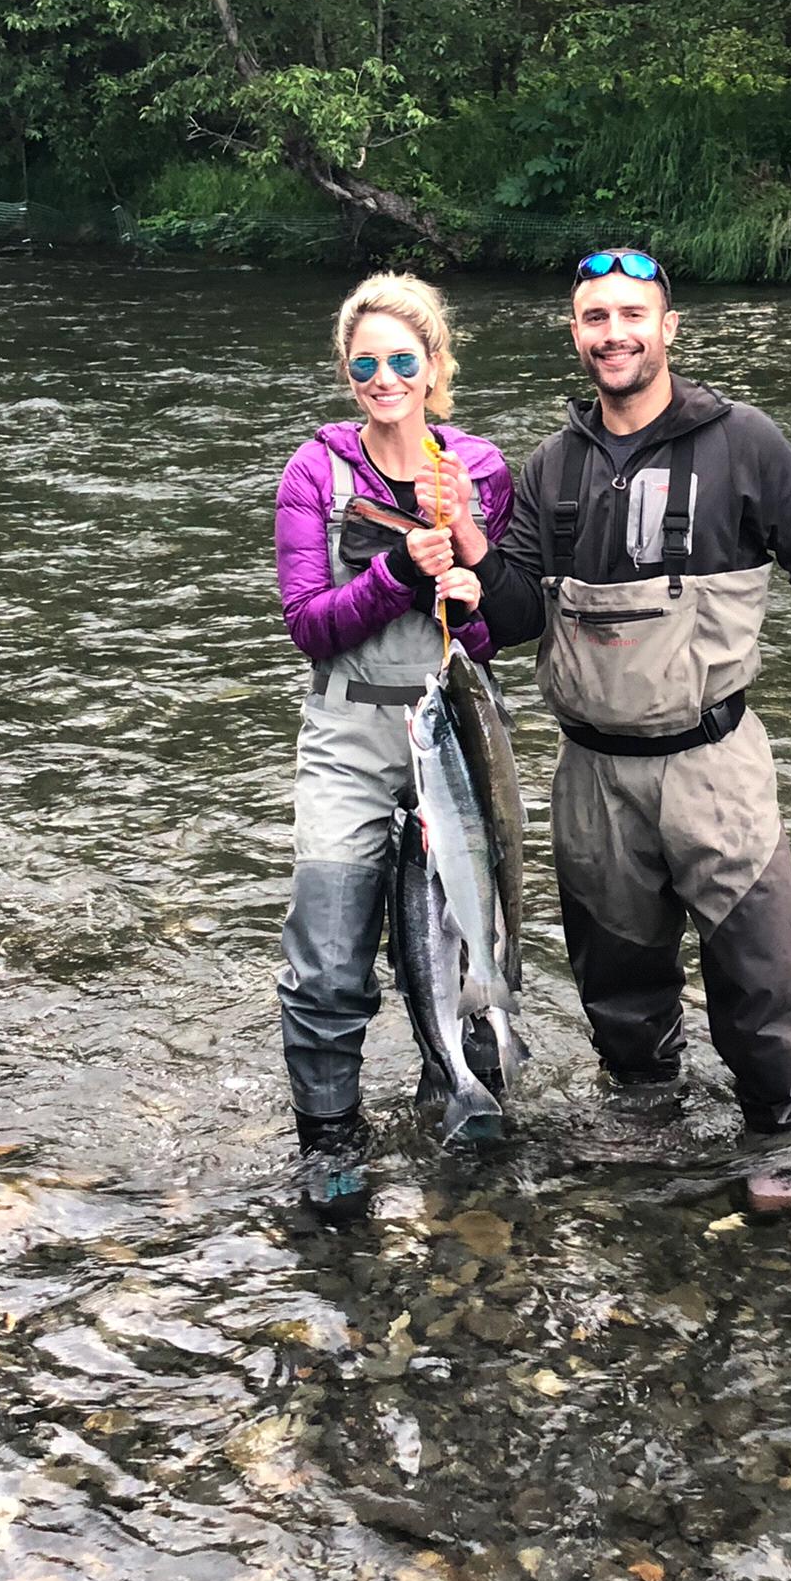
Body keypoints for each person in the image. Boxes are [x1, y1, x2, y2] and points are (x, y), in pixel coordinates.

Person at [414, 249, 791, 1197]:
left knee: (759, 973)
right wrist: (468, 539)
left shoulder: (743, 442)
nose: (613, 334)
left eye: (632, 315)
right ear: (575, 334)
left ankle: (786, 1133)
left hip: (715, 762)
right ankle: (644, 1111)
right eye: (595, 318)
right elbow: (515, 615)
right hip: (592, 774)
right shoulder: (553, 467)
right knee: (618, 982)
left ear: (668, 327)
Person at [275, 273, 514, 1206]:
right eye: (366, 363)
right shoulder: (314, 471)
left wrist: (473, 591)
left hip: (459, 725)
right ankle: (331, 1142)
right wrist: (398, 576)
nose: (385, 379)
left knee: (474, 935)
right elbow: (308, 624)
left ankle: (465, 1100)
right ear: (346, 371)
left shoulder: (481, 470)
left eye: (403, 361)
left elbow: (500, 630)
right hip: (351, 728)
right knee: (330, 948)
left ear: (435, 366)